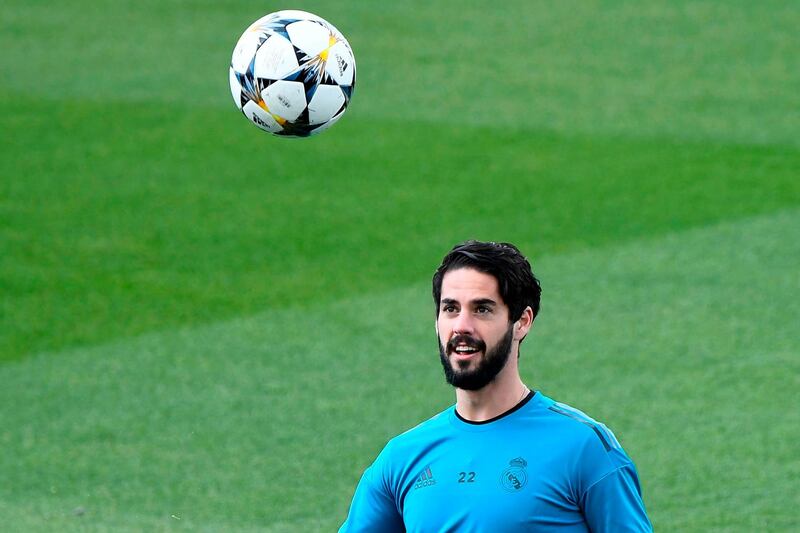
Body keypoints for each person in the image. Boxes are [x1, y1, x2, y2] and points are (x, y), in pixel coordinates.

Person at [339, 240, 652, 532]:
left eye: (482, 309)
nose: (462, 326)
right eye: (450, 309)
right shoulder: (402, 457)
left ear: (522, 322)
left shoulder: (584, 448)